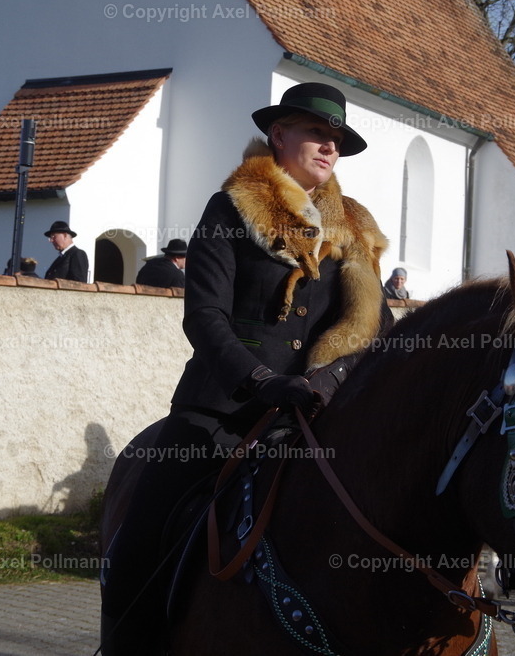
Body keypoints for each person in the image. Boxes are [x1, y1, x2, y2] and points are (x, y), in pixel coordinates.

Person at [100, 82, 389, 654]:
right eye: (316, 133)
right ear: (279, 135)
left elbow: (369, 327)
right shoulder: (230, 207)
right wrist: (260, 380)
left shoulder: (354, 227)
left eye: (336, 139)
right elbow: (204, 315)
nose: (329, 147)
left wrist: (327, 381)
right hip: (222, 408)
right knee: (137, 547)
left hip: (319, 412)